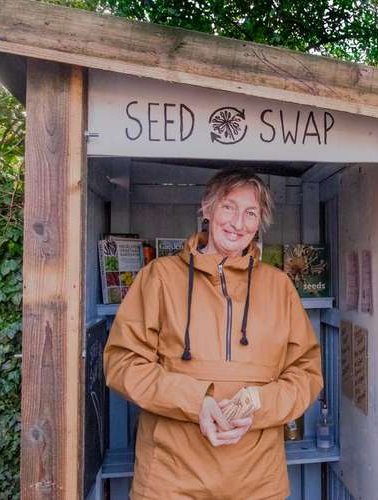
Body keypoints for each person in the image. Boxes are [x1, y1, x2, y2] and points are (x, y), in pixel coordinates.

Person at [104, 168, 324, 499]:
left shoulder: (280, 286)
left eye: (251, 212)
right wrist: (196, 402)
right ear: (207, 209)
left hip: (258, 482)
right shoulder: (159, 278)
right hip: (170, 480)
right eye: (228, 207)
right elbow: (122, 364)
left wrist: (258, 406)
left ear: (260, 221)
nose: (238, 222)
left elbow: (306, 374)